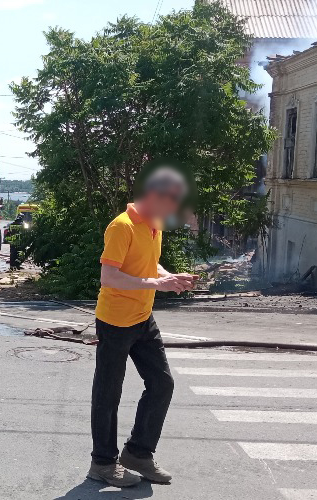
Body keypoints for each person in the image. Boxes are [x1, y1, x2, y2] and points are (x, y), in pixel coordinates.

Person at [88, 167, 197, 487]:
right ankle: (102, 463)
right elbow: (109, 276)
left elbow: (149, 265)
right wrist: (156, 283)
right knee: (108, 393)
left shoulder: (155, 224)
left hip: (142, 319)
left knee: (162, 384)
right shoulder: (122, 227)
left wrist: (167, 278)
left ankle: (138, 453)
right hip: (115, 321)